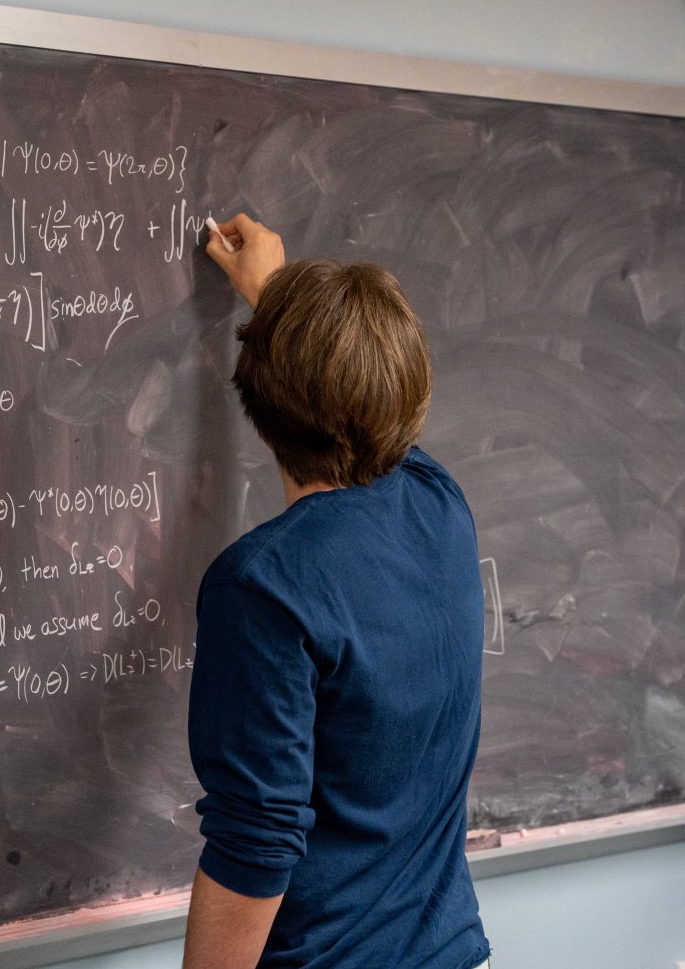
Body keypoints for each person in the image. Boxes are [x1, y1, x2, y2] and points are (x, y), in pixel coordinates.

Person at [182, 214, 491, 969]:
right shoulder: (440, 505)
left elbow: (254, 843)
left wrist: (280, 311)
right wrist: (275, 298)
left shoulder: (263, 589)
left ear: (259, 407)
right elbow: (368, 410)